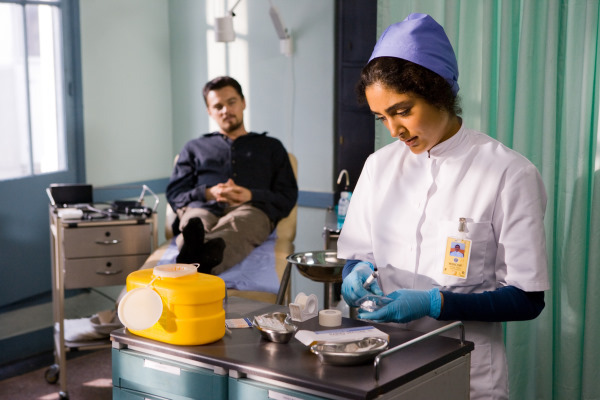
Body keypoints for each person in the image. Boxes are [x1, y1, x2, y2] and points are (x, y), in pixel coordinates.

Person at [337, 13, 549, 400]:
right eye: (381, 117)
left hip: (467, 373)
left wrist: (436, 303)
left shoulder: (509, 173)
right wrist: (355, 272)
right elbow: (358, 254)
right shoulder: (378, 167)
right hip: (384, 363)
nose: (394, 130)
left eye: (403, 111)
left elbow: (527, 298)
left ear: (439, 93)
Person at [166, 76, 298, 274]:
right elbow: (175, 194)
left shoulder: (271, 147)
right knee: (195, 223)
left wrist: (251, 195)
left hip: (250, 210)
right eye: (218, 106)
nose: (225, 110)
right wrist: (208, 193)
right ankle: (201, 258)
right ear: (209, 111)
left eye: (231, 102)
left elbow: (287, 196)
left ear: (243, 102)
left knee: (239, 224)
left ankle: (192, 260)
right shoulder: (193, 148)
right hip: (202, 208)